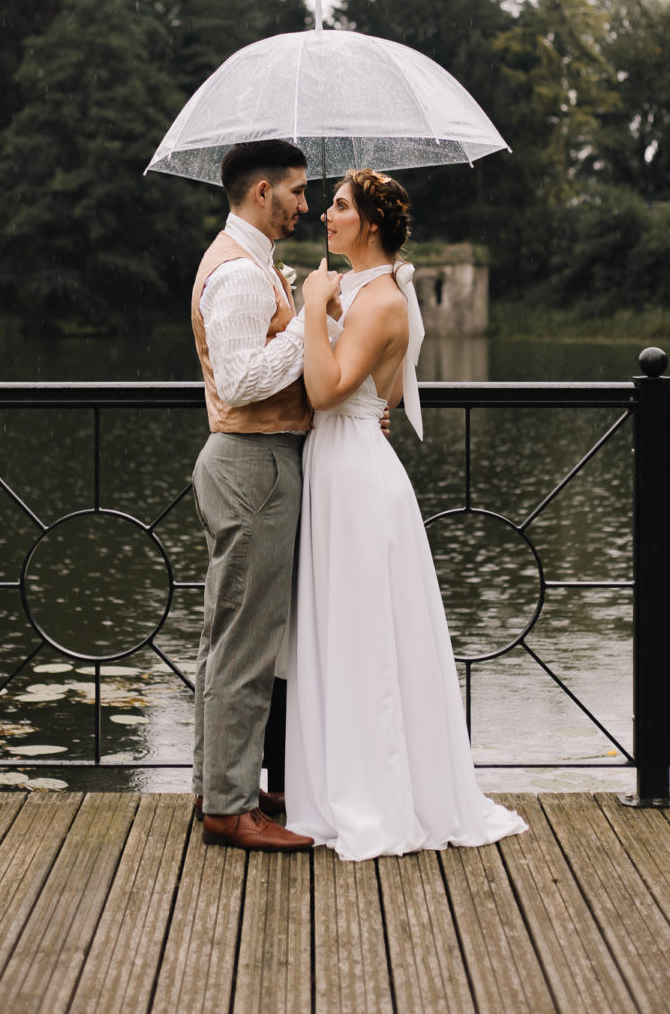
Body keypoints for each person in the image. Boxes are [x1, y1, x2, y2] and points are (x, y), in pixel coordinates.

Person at [284, 168, 527, 860]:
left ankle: (376, 797)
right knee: (344, 629)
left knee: (365, 635)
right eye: (326, 204)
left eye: (336, 206)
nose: (324, 215)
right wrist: (327, 308)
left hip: (355, 478)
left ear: (369, 223)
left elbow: (330, 390)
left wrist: (310, 305)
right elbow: (379, 392)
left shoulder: (382, 297)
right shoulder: (361, 292)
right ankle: (340, 782)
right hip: (343, 467)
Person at [190, 139, 318, 853]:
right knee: (245, 642)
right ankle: (231, 809)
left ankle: (222, 784)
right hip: (253, 465)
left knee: (225, 636)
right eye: (297, 191)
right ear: (262, 190)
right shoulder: (240, 275)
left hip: (248, 464)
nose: (305, 204)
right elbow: (239, 382)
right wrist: (305, 323)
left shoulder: (251, 265)